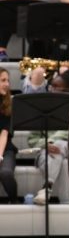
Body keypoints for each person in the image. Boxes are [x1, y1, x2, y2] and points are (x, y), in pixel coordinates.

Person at [0, 71, 16, 201]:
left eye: (7, 80)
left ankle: (14, 200)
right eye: (2, 80)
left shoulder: (9, 104)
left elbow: (4, 133)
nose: (7, 84)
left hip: (5, 150)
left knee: (6, 173)